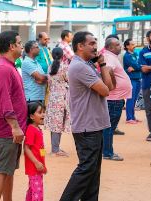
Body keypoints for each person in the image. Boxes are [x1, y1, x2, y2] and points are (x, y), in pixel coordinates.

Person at [60, 31, 114, 201]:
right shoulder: (79, 66)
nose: (95, 46)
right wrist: (103, 66)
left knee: (93, 172)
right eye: (91, 43)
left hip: (94, 125)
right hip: (87, 127)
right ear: (80, 46)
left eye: (95, 43)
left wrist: (102, 65)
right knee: (86, 169)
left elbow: (110, 86)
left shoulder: (88, 65)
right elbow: (105, 90)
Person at [0, 31, 26, 201]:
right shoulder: (3, 68)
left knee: (8, 171)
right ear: (11, 46)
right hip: (6, 131)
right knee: (2, 171)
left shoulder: (9, 66)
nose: (22, 45)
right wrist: (15, 127)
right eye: (19, 42)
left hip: (10, 131)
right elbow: (5, 101)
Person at [102, 38, 132, 161]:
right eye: (117, 45)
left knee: (109, 127)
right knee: (109, 127)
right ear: (110, 47)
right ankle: (108, 153)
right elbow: (107, 70)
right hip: (114, 98)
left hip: (115, 98)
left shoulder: (110, 56)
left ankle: (106, 151)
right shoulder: (109, 57)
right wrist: (113, 84)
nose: (120, 46)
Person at [44, 47, 70, 157]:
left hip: (52, 97)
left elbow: (49, 82)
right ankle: (55, 150)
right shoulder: (64, 67)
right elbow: (69, 79)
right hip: (62, 97)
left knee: (54, 123)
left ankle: (55, 148)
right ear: (62, 55)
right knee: (58, 123)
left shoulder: (50, 67)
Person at [24, 102, 47, 201]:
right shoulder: (31, 129)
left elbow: (41, 148)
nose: (43, 114)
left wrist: (43, 164)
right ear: (32, 116)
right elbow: (26, 148)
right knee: (38, 193)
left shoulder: (37, 129)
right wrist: (36, 162)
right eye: (40, 112)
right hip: (34, 167)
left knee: (32, 190)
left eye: (43, 112)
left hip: (38, 166)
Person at [123, 39, 142, 124]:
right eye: (132, 44)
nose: (134, 46)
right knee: (130, 98)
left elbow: (140, 64)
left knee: (135, 99)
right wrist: (137, 67)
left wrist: (137, 67)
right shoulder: (127, 56)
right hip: (131, 79)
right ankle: (129, 118)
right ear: (127, 46)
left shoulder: (135, 54)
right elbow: (138, 66)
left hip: (138, 78)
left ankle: (133, 117)